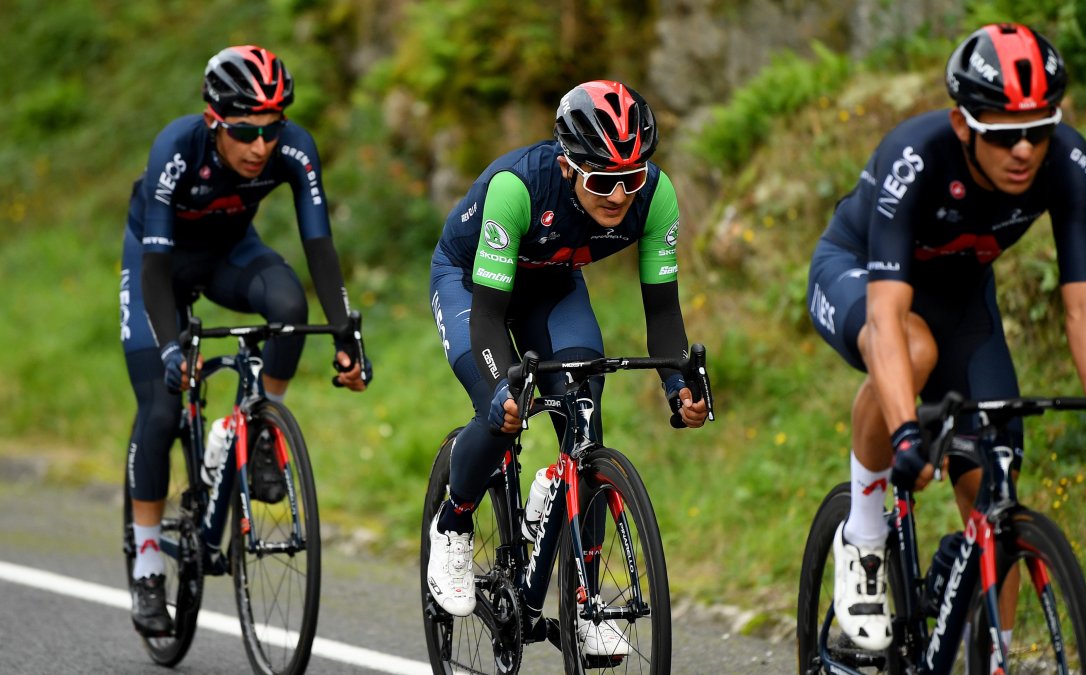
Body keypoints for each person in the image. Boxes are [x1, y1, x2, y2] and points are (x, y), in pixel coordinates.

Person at [805, 23, 1086, 651]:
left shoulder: (1067, 162)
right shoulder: (916, 155)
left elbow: (1083, 301)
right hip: (860, 274)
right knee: (911, 351)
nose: (1024, 150)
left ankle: (995, 658)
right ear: (964, 125)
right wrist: (908, 431)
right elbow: (886, 314)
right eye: (1002, 133)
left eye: (1039, 129)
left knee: (995, 488)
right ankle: (863, 538)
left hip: (962, 301)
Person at [426, 80, 709, 655]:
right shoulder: (517, 187)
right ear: (567, 164)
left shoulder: (657, 197)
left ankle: (585, 599)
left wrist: (679, 382)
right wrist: (501, 387)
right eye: (602, 181)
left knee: (585, 405)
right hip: (472, 285)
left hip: (552, 288)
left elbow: (662, 308)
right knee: (501, 408)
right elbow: (487, 318)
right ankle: (453, 524)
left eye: (631, 179)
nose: (618, 196)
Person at [120, 45, 370, 637]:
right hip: (159, 267)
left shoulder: (293, 149)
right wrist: (171, 348)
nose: (260, 147)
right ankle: (150, 562)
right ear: (213, 121)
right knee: (159, 408)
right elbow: (155, 271)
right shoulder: (175, 151)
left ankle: (258, 428)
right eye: (244, 132)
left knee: (288, 308)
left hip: (232, 255)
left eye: (270, 130)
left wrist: (345, 333)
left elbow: (319, 247)